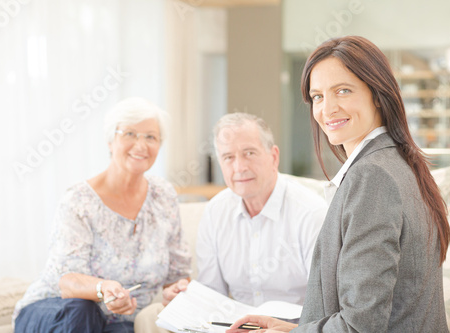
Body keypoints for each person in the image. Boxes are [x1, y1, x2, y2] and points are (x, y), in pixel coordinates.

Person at [229, 36, 450, 332]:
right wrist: (292, 328)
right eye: (318, 96)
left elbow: (360, 326)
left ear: (378, 94)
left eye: (343, 91)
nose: (327, 108)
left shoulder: (373, 177)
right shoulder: (397, 163)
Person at [134, 112, 327, 332]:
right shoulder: (215, 212)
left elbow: (326, 307)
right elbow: (212, 292)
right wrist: (188, 299)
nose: (239, 167)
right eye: (228, 158)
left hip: (294, 326)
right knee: (152, 316)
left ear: (273, 157)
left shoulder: (311, 213)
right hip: (235, 323)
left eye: (249, 153)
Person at [13, 97, 191, 333]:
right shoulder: (79, 200)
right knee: (82, 309)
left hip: (121, 321)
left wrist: (175, 291)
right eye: (129, 134)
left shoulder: (164, 196)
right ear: (110, 141)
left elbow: (177, 275)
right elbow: (68, 282)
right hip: (56, 311)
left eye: (151, 137)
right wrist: (103, 289)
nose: (141, 145)